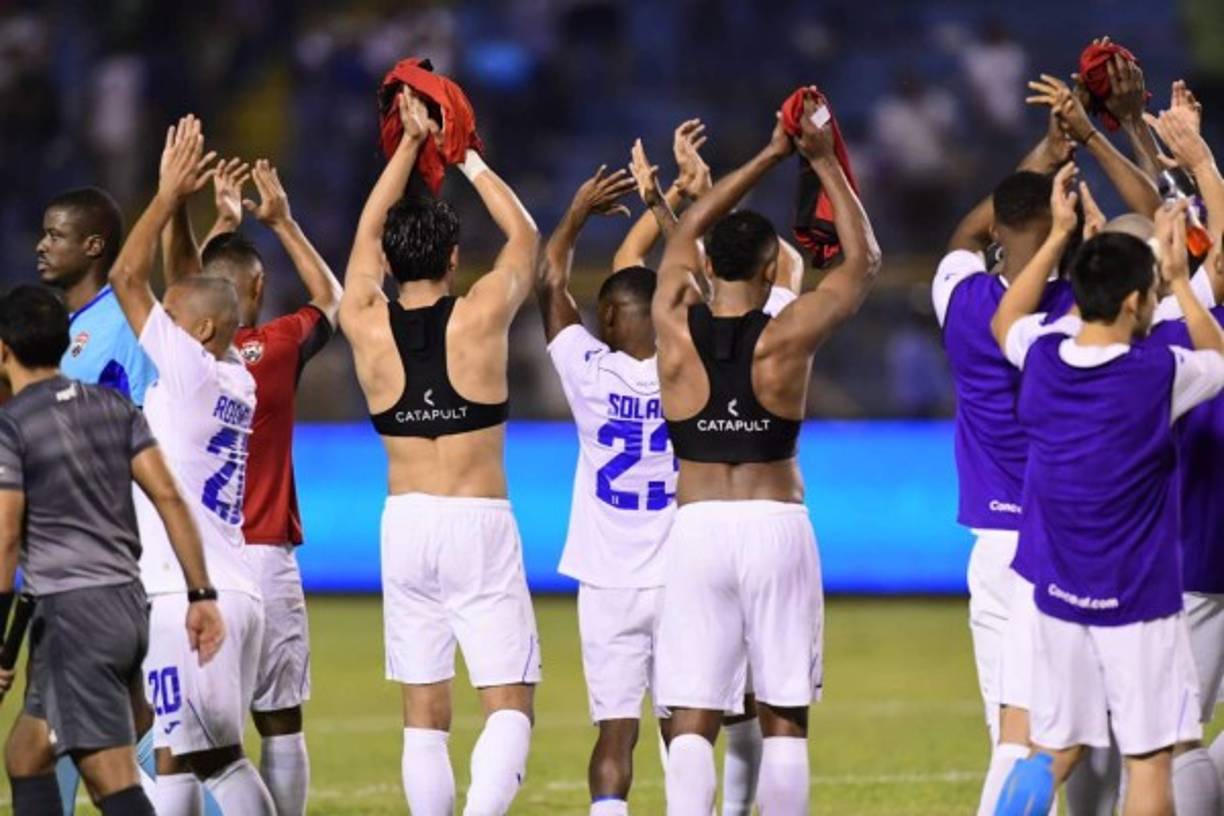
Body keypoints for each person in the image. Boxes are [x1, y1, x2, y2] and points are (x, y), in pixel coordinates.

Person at [538, 121, 805, 816]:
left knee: (614, 732)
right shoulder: (688, 359)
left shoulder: (584, 368)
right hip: (682, 560)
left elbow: (551, 282)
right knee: (710, 719)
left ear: (606, 318)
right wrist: (684, 200)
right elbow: (700, 273)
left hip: (606, 576)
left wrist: (575, 216)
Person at [652, 93, 880, 814]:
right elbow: (864, 261)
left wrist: (767, 156)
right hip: (775, 524)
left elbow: (687, 227)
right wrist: (821, 164)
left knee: (691, 716)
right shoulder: (788, 333)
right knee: (783, 716)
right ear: (767, 266)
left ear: (707, 267)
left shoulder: (671, 324)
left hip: (695, 530)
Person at [991, 172, 1224, 815]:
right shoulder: (1156, 375)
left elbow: (1009, 317)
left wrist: (1066, 236)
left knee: (1050, 752)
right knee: (1149, 762)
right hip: (1141, 604)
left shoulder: (1041, 358)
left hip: (1061, 599)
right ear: (1132, 302)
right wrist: (1179, 277)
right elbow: (1218, 353)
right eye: (1149, 295)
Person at [340, 88, 541, 816]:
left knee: (423, 713)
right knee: (509, 703)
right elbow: (526, 242)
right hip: (477, 520)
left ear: (389, 265)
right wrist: (466, 157)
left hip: (405, 522)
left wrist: (404, 148)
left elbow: (364, 238)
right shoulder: (482, 314)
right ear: (456, 257)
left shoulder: (362, 319)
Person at [161, 155, 342, 816]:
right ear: (257, 286)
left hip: (188, 562)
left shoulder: (179, 364)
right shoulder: (277, 348)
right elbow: (332, 300)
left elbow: (184, 281)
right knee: (280, 719)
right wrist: (284, 223)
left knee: (182, 732)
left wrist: (206, 215)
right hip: (262, 560)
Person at [0, 285, 225, 816]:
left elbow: (7, 537)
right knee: (27, 753)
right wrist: (200, 593)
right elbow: (168, 496)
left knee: (110, 779)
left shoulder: (13, 426)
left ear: (3, 350)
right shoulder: (115, 408)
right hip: (127, 605)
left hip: (74, 616)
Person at [109, 114, 275, 815]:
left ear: (198, 332)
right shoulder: (230, 370)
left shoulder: (195, 373)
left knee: (215, 755)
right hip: (231, 588)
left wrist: (165, 195)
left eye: (169, 322)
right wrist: (195, 214)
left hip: (189, 596)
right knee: (175, 750)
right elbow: (189, 288)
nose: (159, 331)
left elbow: (126, 275)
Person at [1141, 101, 1224, 816]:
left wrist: (1198, 163)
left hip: (1197, 554)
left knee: (1175, 734)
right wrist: (1194, 163)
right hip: (1199, 552)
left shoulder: (1173, 335)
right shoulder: (1190, 315)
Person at [37, 186, 157, 405]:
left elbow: (150, 417)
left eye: (55, 236)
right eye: (45, 235)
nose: (41, 246)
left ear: (93, 246)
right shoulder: (63, 323)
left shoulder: (124, 324)